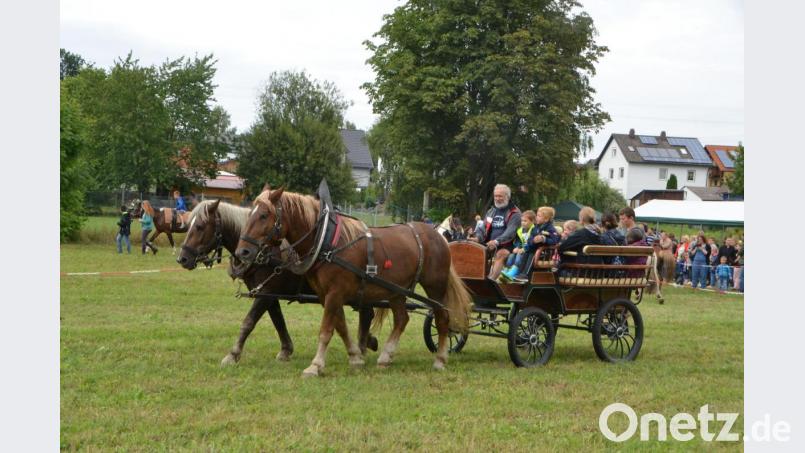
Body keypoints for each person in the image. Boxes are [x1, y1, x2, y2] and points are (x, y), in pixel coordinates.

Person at [476, 184, 522, 280]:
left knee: (501, 254)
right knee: (472, 250)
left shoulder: (515, 212)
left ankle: (490, 282)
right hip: (489, 243)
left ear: (507, 197)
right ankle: (474, 278)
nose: (497, 198)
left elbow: (510, 232)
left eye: (500, 196)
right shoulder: (491, 211)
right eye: (495, 196)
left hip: (508, 245)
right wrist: (477, 237)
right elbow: (482, 227)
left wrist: (496, 241)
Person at [500, 210, 537, 281]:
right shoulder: (520, 230)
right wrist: (516, 247)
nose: (522, 223)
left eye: (525, 221)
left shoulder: (534, 230)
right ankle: (507, 269)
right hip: (522, 248)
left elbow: (532, 243)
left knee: (519, 255)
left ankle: (514, 271)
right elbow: (518, 241)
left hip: (529, 249)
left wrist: (523, 249)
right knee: (512, 255)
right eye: (522, 221)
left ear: (532, 221)